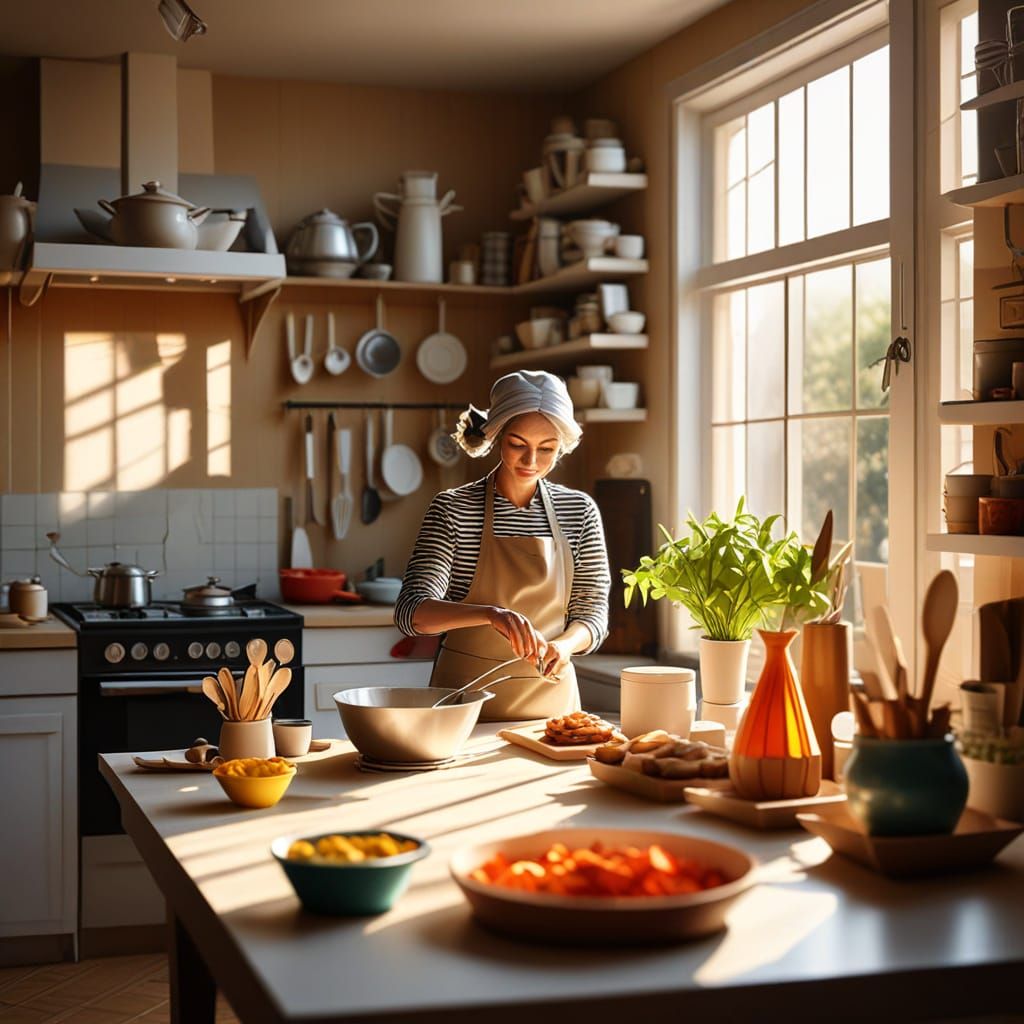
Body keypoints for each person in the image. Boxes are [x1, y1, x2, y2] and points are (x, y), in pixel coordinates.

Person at [394, 370, 610, 721]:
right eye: (518, 444)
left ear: (561, 446)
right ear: (496, 436)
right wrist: (491, 614)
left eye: (546, 449)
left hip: (551, 706)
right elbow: (411, 612)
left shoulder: (579, 512)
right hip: (464, 704)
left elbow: (592, 614)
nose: (531, 461)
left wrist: (565, 645)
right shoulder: (453, 510)